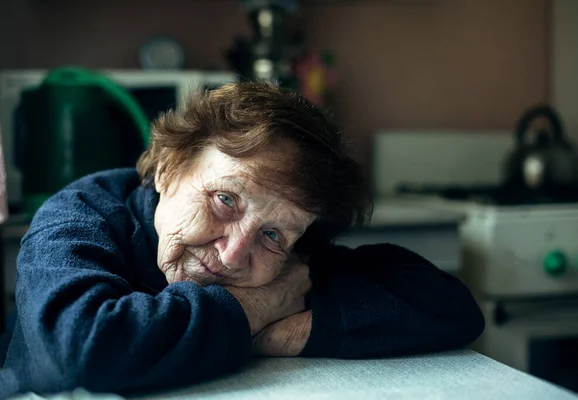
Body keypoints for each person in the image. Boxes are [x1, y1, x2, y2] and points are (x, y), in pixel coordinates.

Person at [0, 82, 484, 398]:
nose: (232, 255)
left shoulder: (292, 258)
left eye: (272, 234)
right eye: (225, 201)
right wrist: (257, 309)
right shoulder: (81, 215)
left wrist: (284, 334)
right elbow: (82, 347)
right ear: (168, 169)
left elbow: (452, 308)